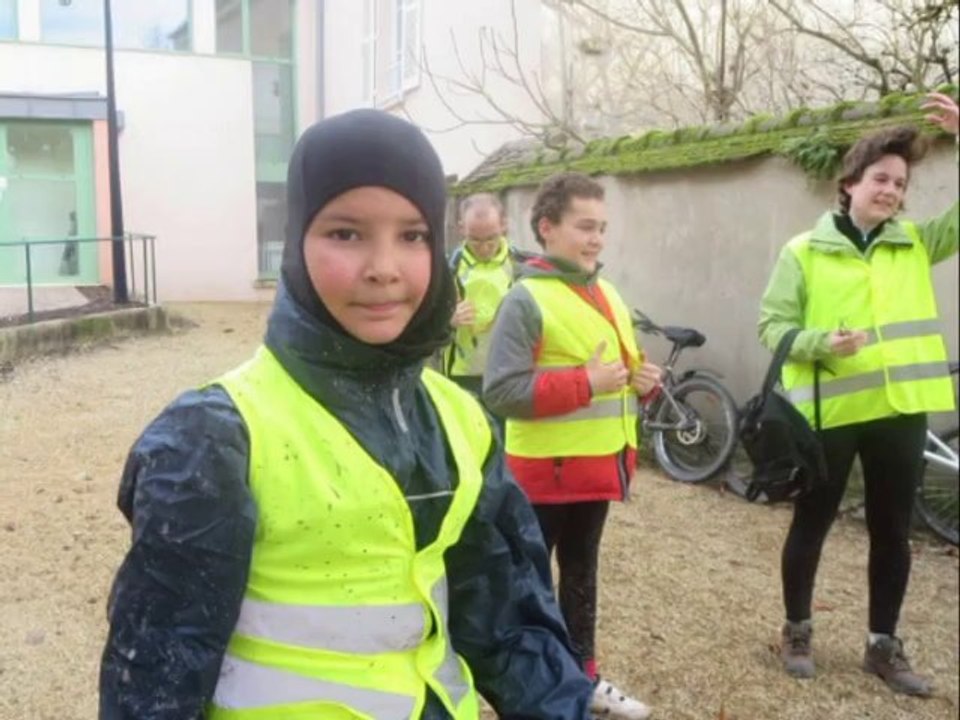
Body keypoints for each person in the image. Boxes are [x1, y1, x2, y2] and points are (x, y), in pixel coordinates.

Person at [98, 110, 596, 719]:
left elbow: (508, 621)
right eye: (346, 233)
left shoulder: (461, 420)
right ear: (296, 244)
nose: (384, 267)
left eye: (412, 235)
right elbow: (155, 677)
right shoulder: (215, 437)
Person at [758, 92, 959, 696]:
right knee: (813, 521)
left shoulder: (917, 243)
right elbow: (771, 325)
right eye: (880, 178)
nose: (892, 190)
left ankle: (882, 646)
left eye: (900, 183)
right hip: (830, 413)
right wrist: (819, 341)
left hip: (899, 412)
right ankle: (797, 630)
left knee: (892, 531)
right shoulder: (802, 251)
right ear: (849, 183)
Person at [484, 171, 663, 720]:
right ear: (547, 228)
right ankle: (531, 692)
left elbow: (618, 374)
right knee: (529, 589)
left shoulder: (606, 290)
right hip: (541, 476)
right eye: (585, 227)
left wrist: (644, 383)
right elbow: (502, 391)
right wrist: (586, 383)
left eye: (602, 228)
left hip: (596, 470)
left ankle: (581, 679)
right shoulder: (524, 299)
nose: (596, 239)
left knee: (582, 578)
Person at [447, 193, 529, 398]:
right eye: (474, 239)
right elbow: (421, 323)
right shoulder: (446, 269)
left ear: (504, 225)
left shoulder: (521, 266)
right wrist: (447, 319)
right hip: (463, 374)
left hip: (510, 371)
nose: (484, 247)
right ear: (461, 229)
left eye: (491, 238)